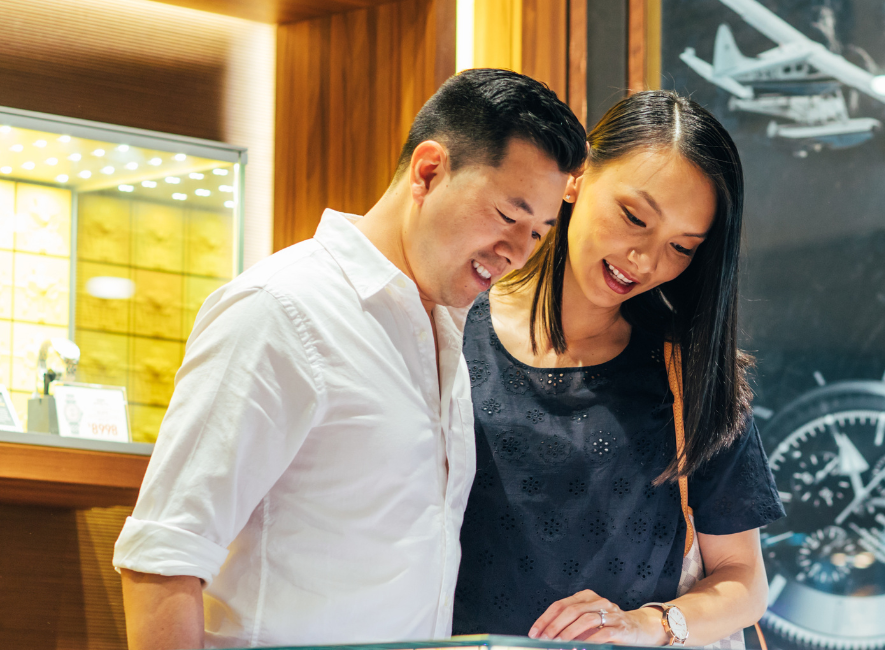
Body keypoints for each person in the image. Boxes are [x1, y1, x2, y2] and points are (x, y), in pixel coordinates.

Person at [112, 69, 587, 649]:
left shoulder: (447, 331)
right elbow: (165, 556)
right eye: (508, 217)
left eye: (537, 234)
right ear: (428, 172)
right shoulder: (280, 308)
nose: (516, 253)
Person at [451, 90, 785, 646]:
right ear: (578, 176)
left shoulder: (689, 373)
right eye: (634, 217)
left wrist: (648, 624)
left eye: (681, 247)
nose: (646, 260)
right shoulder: (451, 329)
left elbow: (744, 579)